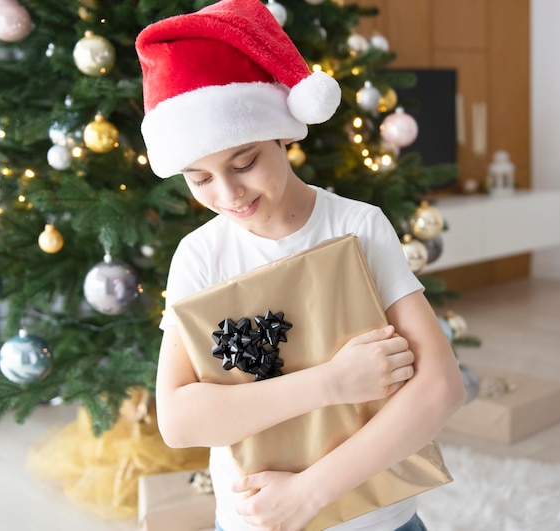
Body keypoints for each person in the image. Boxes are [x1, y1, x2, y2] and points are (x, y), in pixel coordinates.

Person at [135, 1, 466, 529]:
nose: (229, 194)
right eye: (199, 179)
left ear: (282, 135)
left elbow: (442, 385)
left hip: (380, 518)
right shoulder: (199, 256)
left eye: (245, 162)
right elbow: (178, 420)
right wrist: (332, 382)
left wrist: (310, 493)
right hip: (258, 518)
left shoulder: (359, 226)